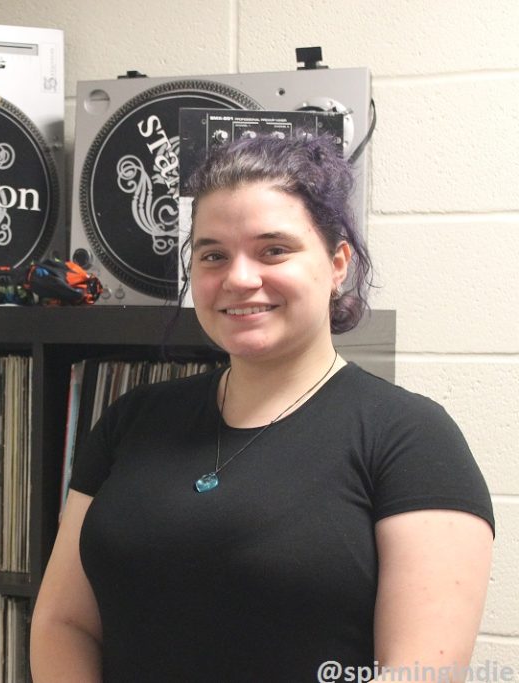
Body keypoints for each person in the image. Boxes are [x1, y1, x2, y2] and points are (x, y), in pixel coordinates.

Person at [30, 136, 494, 682]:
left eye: (273, 249)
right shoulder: (133, 420)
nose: (239, 278)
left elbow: (420, 674)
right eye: (213, 255)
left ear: (338, 262)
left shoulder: (410, 439)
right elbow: (63, 622)